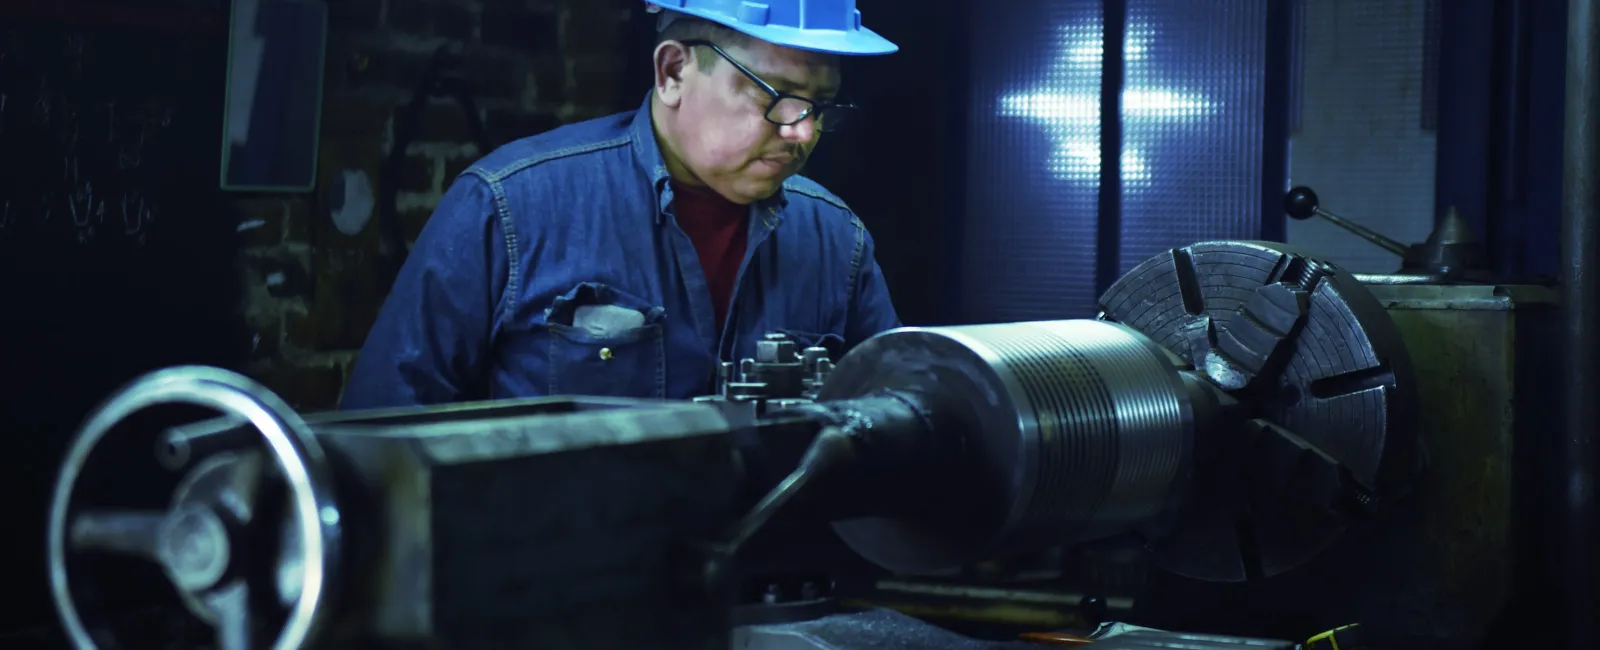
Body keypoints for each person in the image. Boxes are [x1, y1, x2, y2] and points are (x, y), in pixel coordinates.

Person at [340, 0, 902, 409]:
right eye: (779, 98)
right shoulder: (512, 207)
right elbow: (382, 435)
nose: (804, 133)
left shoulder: (836, 243)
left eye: (821, 106)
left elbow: (896, 427)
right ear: (674, 71)